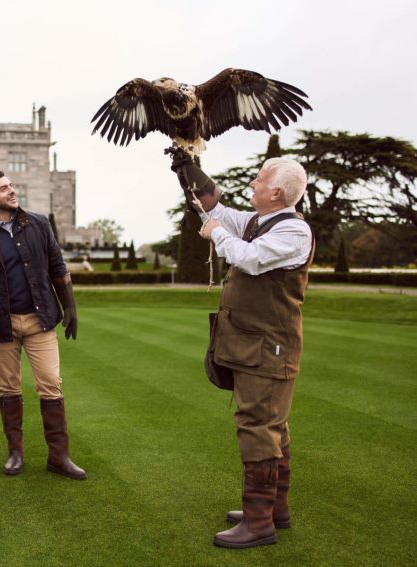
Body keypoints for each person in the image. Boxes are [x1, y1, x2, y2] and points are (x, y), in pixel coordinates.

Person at [169, 148, 314, 549]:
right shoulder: (259, 220)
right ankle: (273, 511)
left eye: (260, 180)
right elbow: (215, 207)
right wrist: (188, 169)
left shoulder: (293, 231)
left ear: (279, 194)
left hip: (270, 347)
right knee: (272, 427)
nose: (252, 182)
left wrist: (215, 232)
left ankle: (258, 522)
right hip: (254, 343)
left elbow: (247, 259)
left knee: (258, 426)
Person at [0, 171, 86, 480]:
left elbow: (57, 266)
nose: (11, 191)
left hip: (39, 319)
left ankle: (59, 456)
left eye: (12, 186)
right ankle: (15, 453)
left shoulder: (38, 223)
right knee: (8, 388)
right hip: (1, 325)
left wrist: (69, 306)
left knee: (50, 384)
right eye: (4, 188)